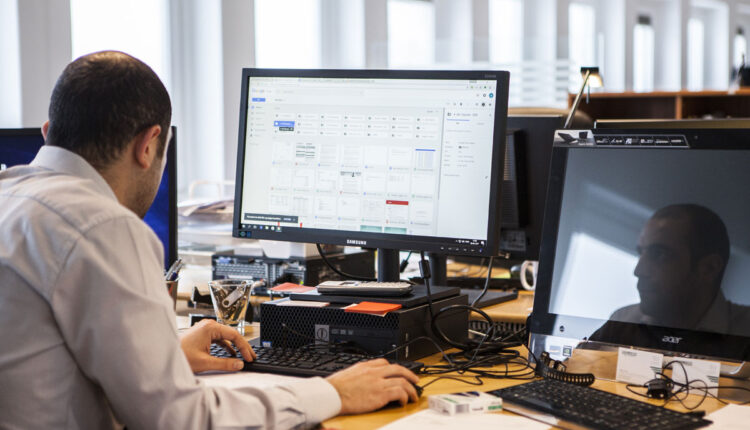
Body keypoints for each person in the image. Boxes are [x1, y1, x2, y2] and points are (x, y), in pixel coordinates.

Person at [0, 51, 418, 429]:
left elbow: (42, 360)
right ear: (148, 145)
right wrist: (331, 393)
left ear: (48, 132)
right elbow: (179, 418)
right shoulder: (102, 226)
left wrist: (166, 355)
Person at [590, 204, 750, 354]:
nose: (639, 271)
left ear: (709, 268)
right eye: (641, 253)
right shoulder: (622, 322)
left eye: (659, 254)